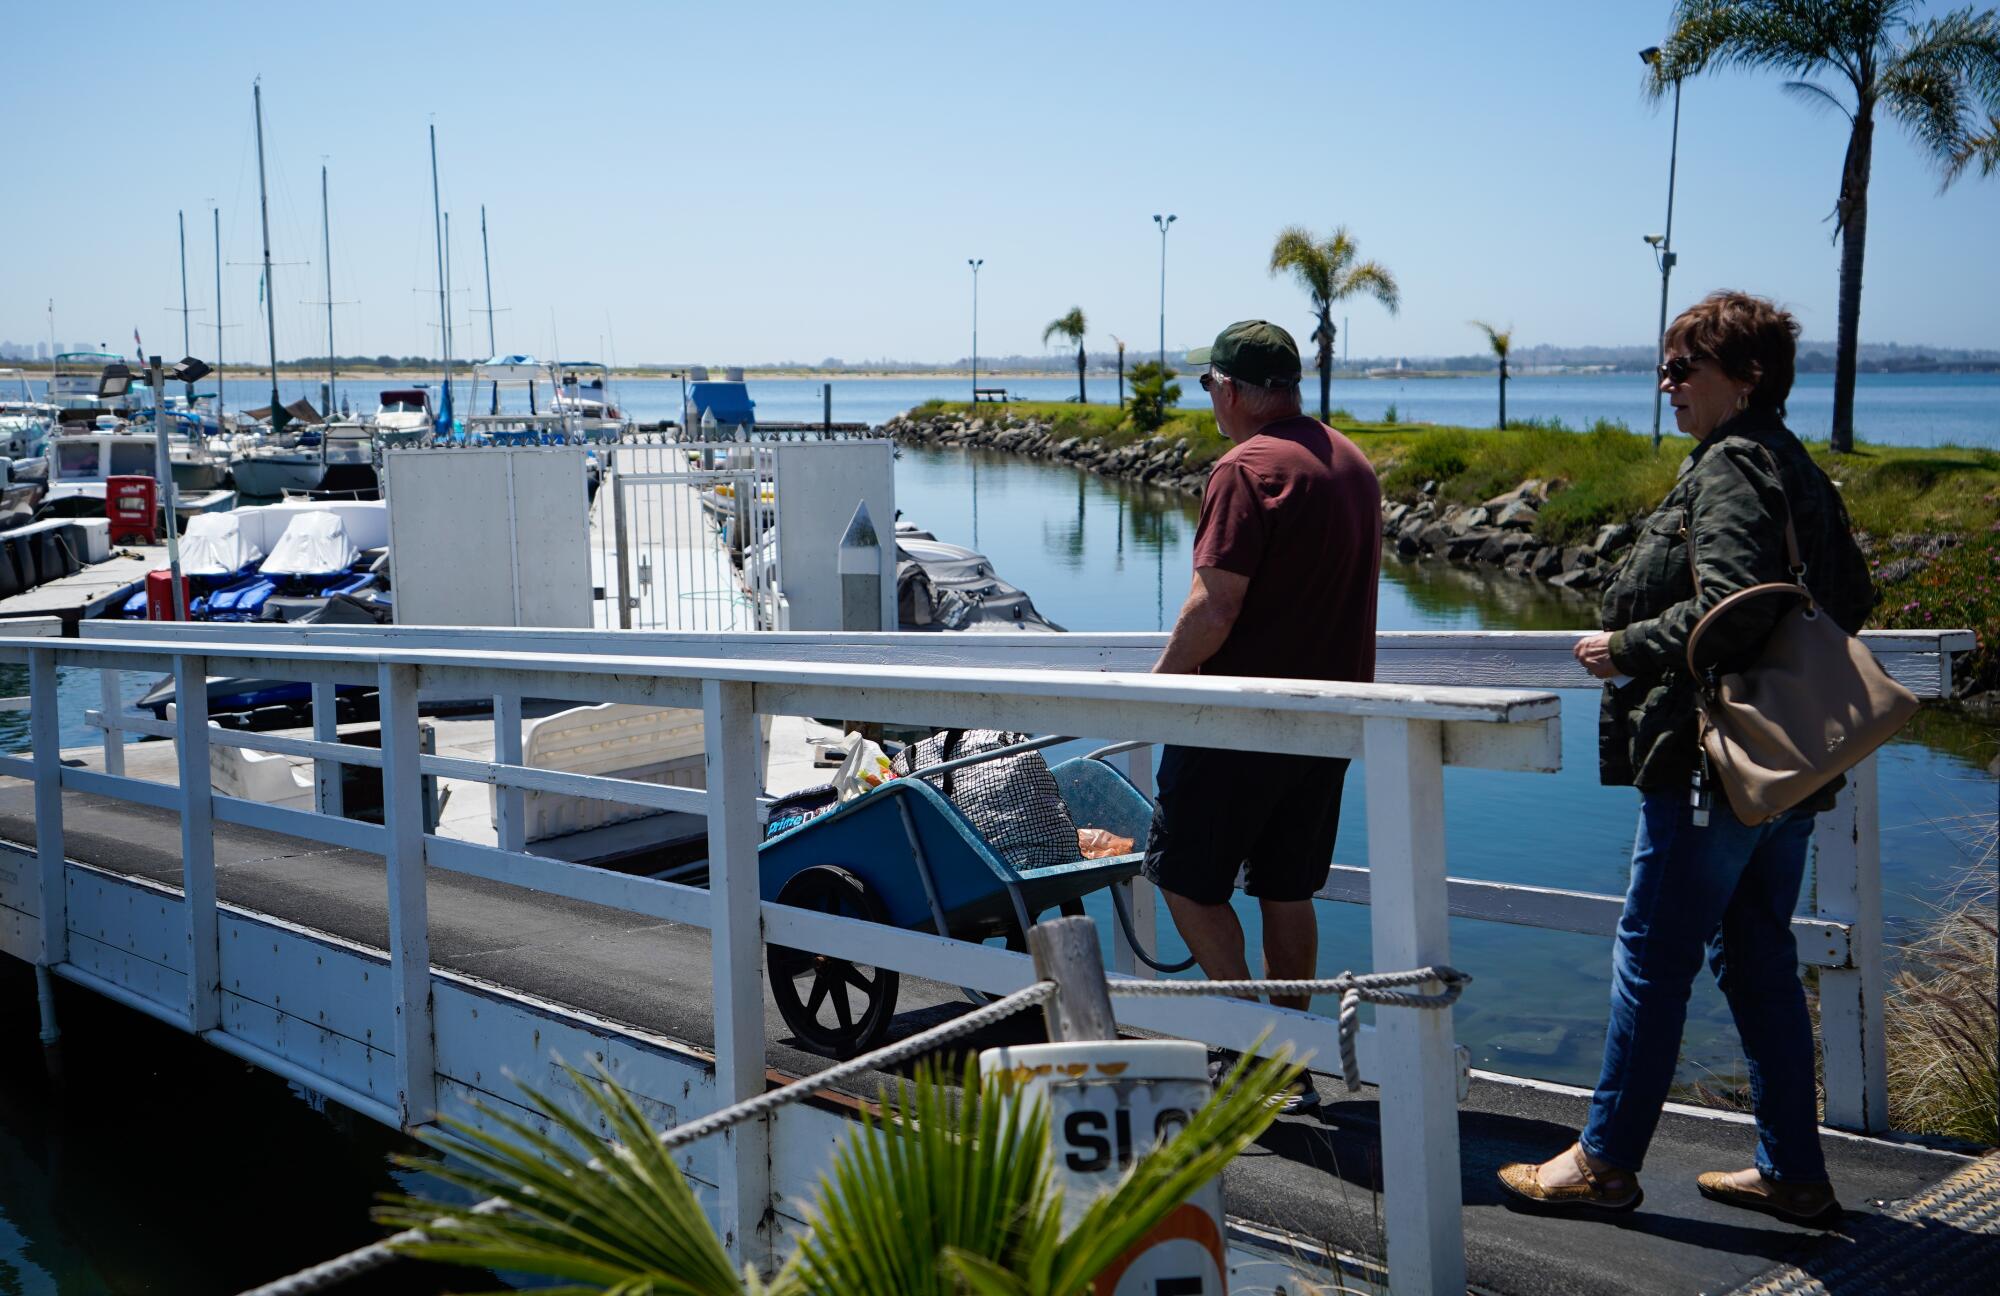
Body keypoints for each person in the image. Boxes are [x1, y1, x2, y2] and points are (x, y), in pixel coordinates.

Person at [1499, 291, 1875, 1222]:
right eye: (1665, 367)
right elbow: (1849, 593)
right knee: (1756, 959)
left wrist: (1625, 646)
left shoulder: (1732, 466)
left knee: (1651, 957)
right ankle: (1792, 1170)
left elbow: (1745, 601)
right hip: (1785, 766)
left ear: (1746, 379)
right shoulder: (1793, 466)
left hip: (1713, 764)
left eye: (1684, 368)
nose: (1667, 385)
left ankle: (1604, 1161)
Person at [1146, 320, 1383, 1109]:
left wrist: (1156, 691)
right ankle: (1293, 1050)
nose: (1211, 401)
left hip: (1240, 722)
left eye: (1210, 386)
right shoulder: (1348, 462)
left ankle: (1252, 1044)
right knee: (1288, 888)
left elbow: (1214, 608)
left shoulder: (1245, 468)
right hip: (1326, 721)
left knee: (1181, 877)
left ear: (1233, 389)